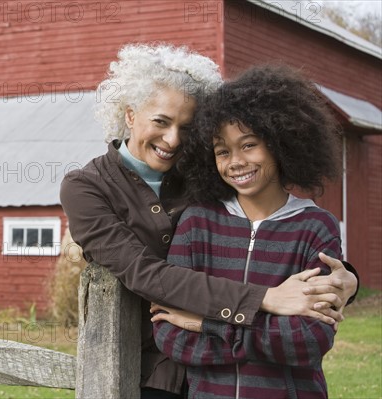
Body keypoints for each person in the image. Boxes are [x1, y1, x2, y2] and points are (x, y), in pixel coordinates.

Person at [59, 44, 358, 398]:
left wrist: (347, 279)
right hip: (144, 368)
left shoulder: (201, 176)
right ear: (129, 114)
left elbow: (275, 232)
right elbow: (146, 274)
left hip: (209, 371)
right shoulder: (86, 187)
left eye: (186, 128)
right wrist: (264, 299)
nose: (172, 140)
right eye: (161, 121)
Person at [151, 65, 345, 398]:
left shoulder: (316, 226)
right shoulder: (197, 223)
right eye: (222, 151)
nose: (235, 161)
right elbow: (172, 335)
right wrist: (266, 331)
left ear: (279, 143)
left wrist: (205, 323)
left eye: (249, 145)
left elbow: (309, 340)